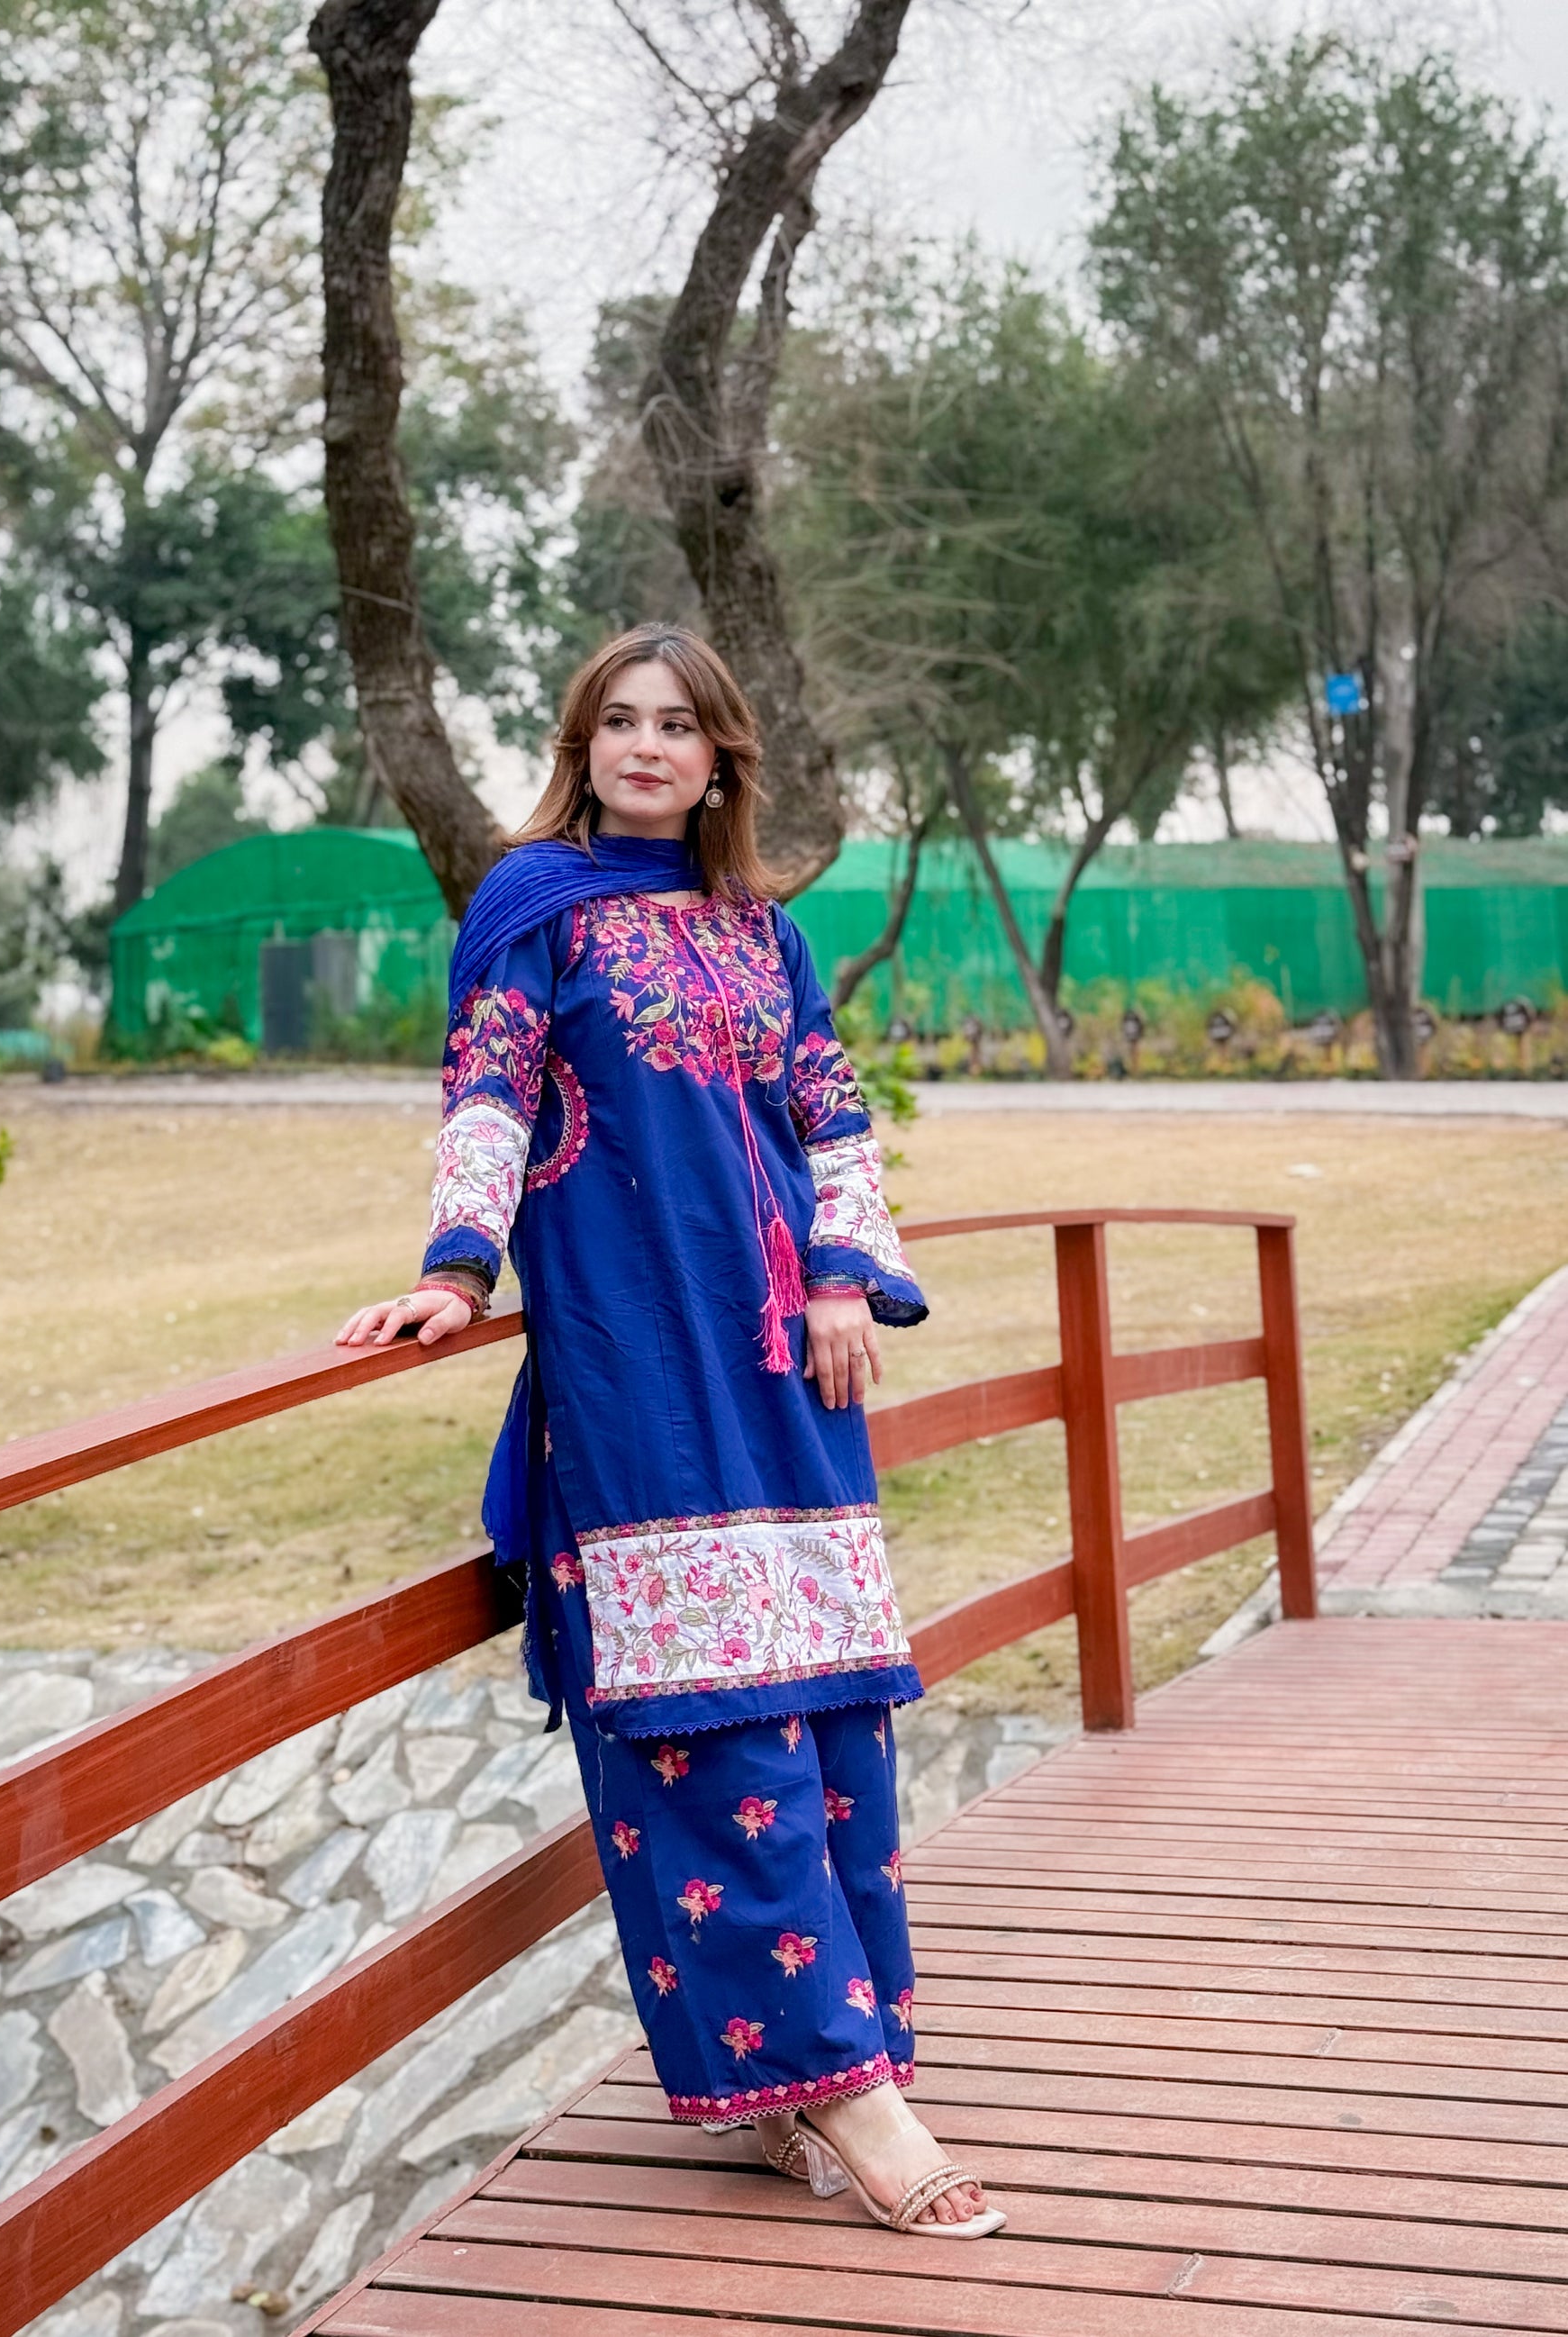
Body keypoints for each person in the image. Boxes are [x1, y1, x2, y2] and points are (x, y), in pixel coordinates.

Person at [339, 623, 1002, 2238]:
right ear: (584, 745)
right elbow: (486, 1094)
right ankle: (851, 2092)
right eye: (619, 721)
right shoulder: (533, 907)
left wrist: (843, 1274)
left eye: (679, 725)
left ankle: (803, 2082)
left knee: (830, 1717)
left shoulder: (762, 929)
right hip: (636, 1371)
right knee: (709, 1722)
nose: (647, 745)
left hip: (790, 1369)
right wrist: (453, 1268)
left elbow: (831, 1116)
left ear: (719, 762)